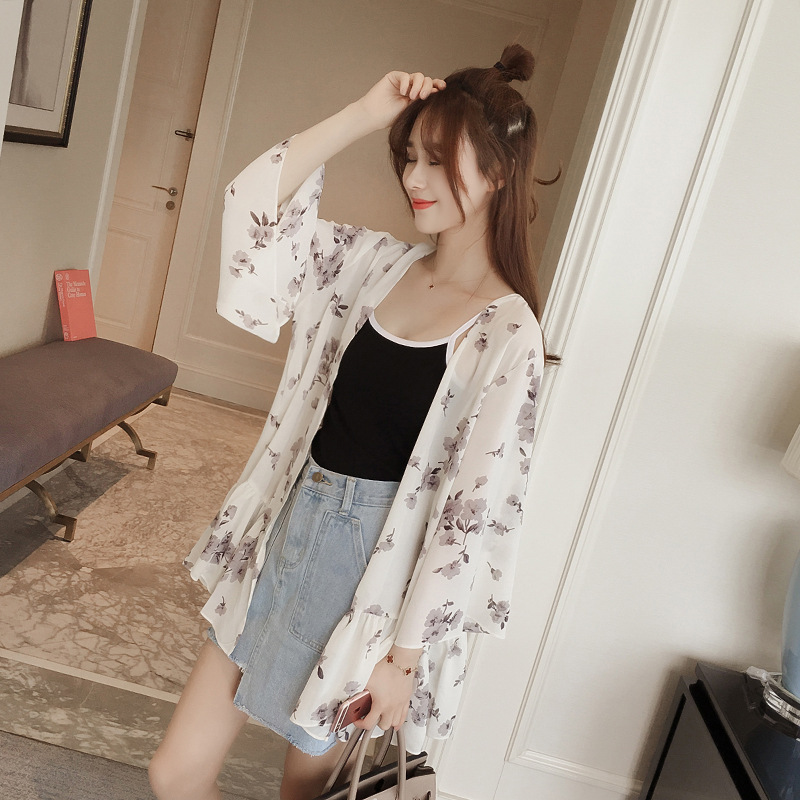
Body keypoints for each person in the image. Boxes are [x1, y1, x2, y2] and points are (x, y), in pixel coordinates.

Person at [149, 43, 551, 800]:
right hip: (286, 529)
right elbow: (256, 206)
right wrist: (364, 115)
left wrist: (403, 660)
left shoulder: (507, 333)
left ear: (499, 172)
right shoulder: (369, 264)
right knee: (175, 773)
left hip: (370, 576)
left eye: (438, 161)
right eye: (410, 157)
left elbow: (469, 517)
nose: (414, 179)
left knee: (304, 795)